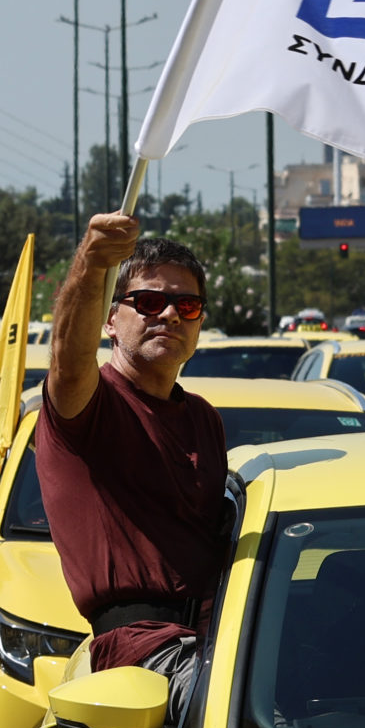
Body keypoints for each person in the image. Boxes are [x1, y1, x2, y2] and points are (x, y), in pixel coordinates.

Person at [36, 217, 227, 675]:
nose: (169, 315)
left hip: (222, 641)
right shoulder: (90, 406)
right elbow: (68, 360)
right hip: (141, 657)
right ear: (110, 320)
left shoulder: (205, 418)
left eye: (187, 304)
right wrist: (92, 262)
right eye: (147, 301)